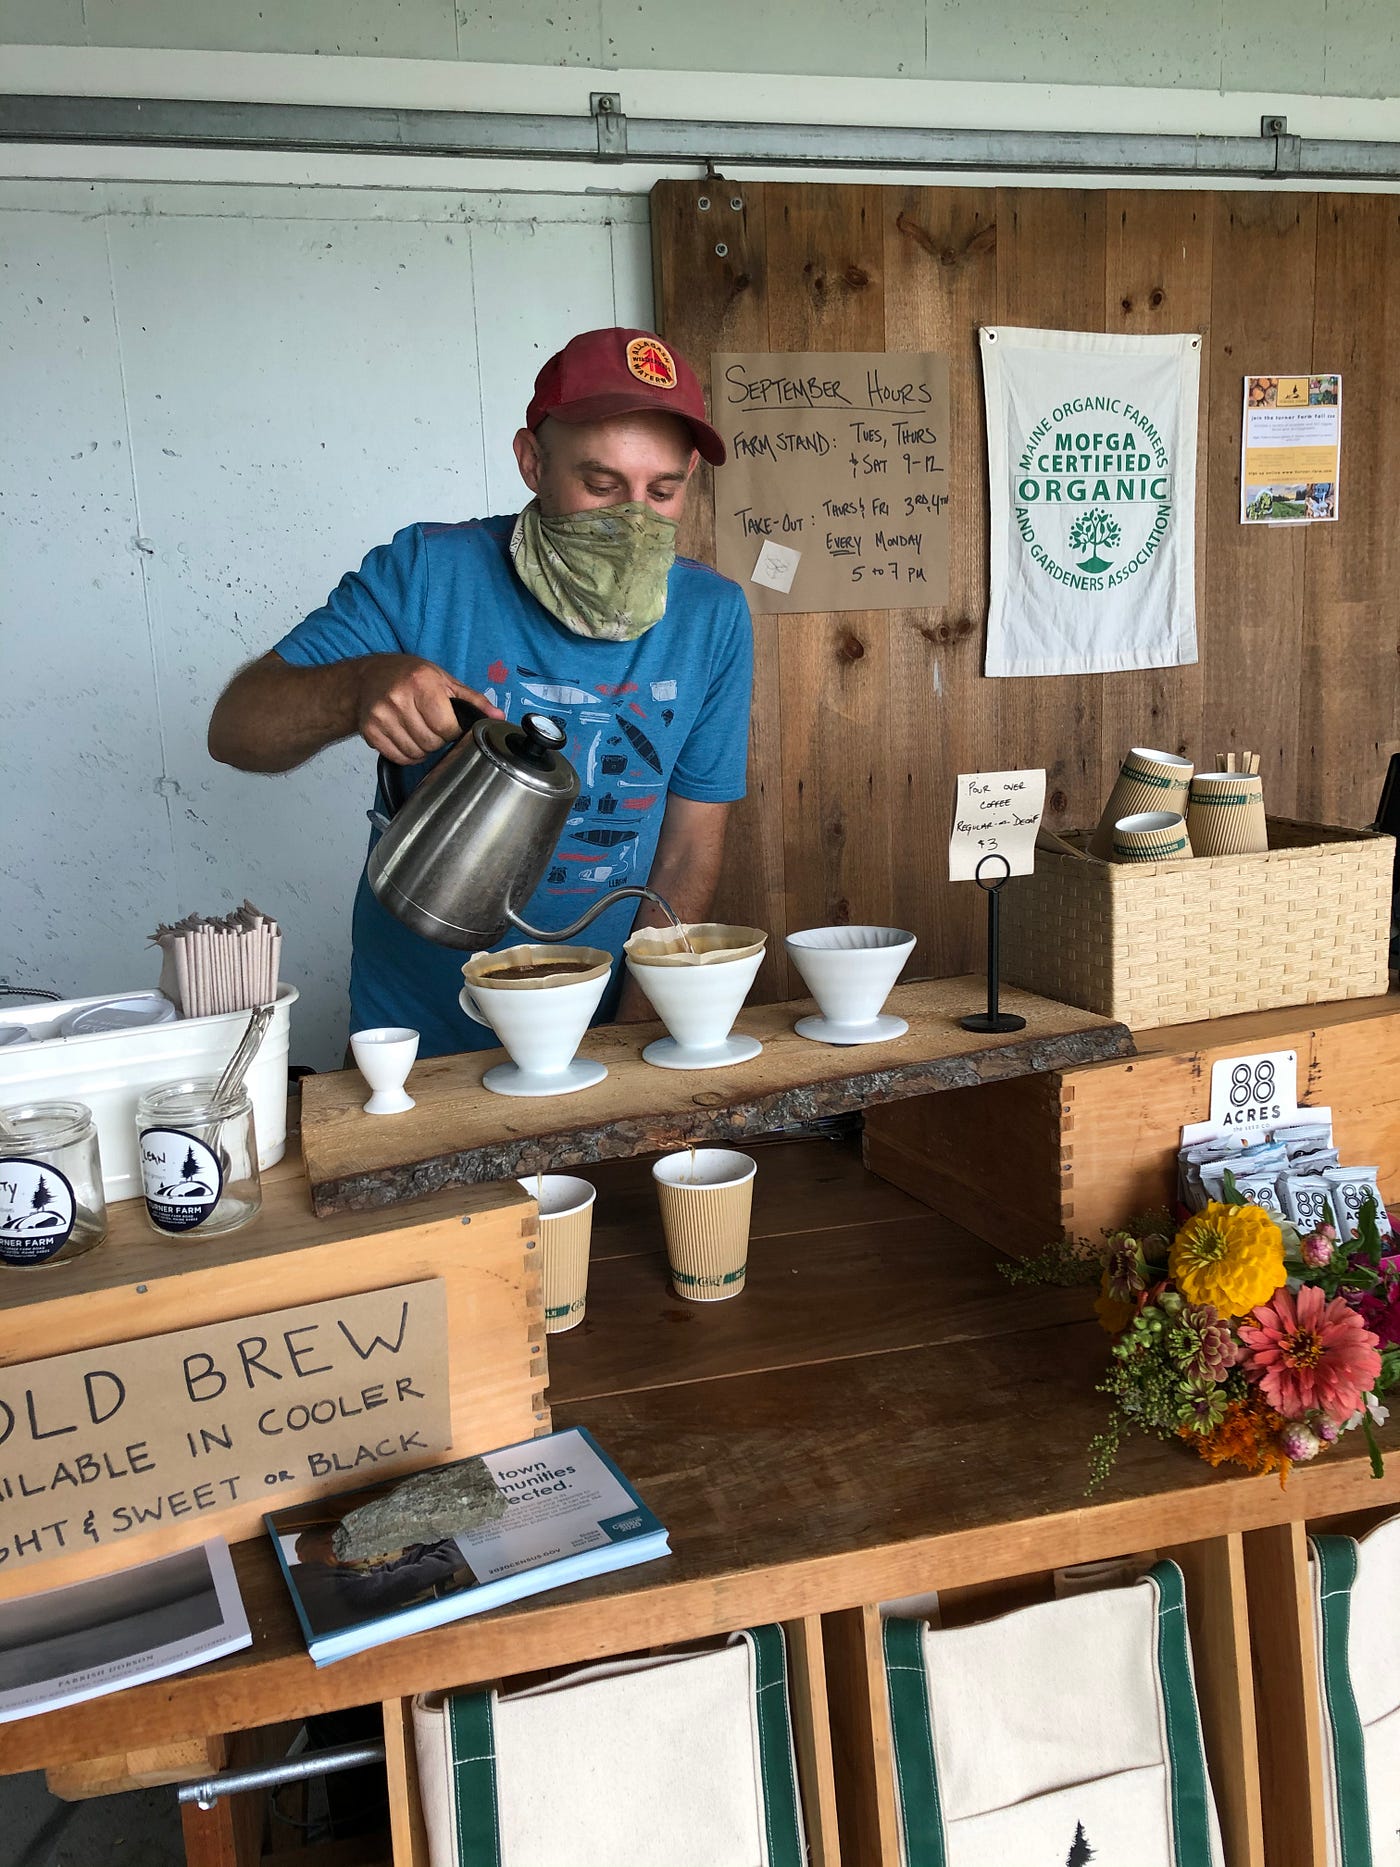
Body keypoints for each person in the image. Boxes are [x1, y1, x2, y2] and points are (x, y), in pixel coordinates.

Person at [208, 328, 753, 1056]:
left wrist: (635, 1045)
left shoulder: (710, 617)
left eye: (662, 490)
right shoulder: (431, 574)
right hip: (415, 1037)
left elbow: (687, 853)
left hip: (601, 1029)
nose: (633, 520)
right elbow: (235, 727)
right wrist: (355, 689)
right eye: (599, 484)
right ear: (532, 461)